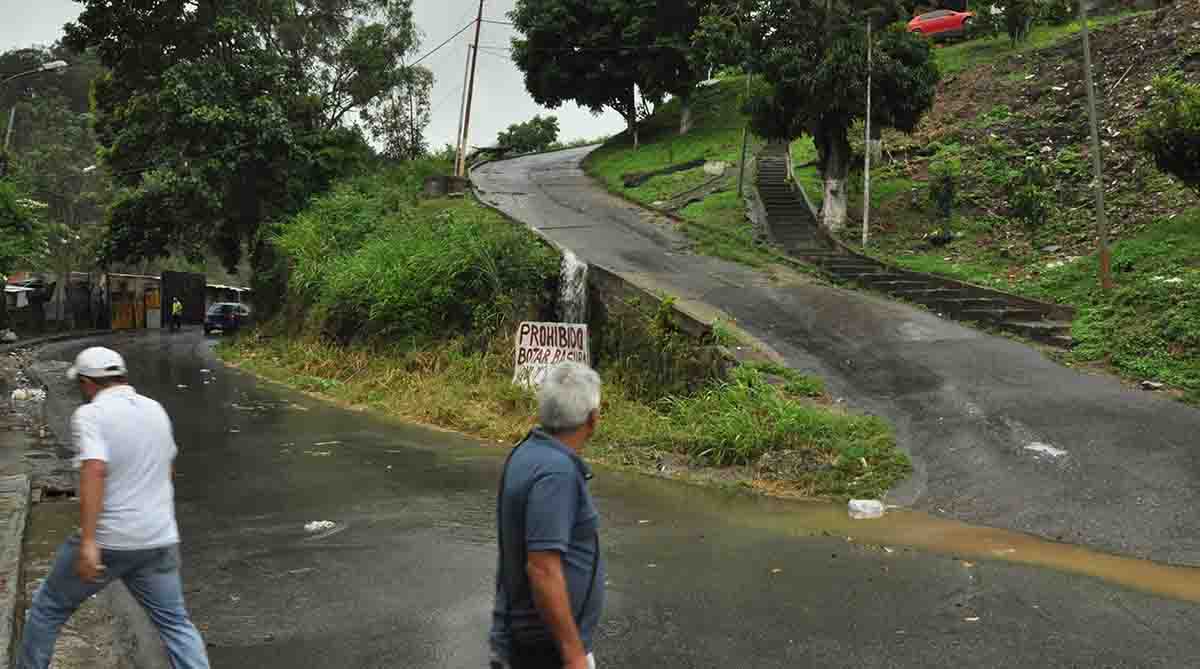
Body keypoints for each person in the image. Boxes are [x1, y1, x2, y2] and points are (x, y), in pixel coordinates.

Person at [18, 347, 209, 669]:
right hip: (158, 539)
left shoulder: (90, 415)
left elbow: (94, 469)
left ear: (88, 383)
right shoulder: (155, 410)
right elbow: (167, 469)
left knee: (48, 608)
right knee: (176, 626)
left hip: (111, 541)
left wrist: (90, 542)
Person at [490, 362, 605, 669]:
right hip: (547, 652)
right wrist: (573, 654)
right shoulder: (555, 473)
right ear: (592, 420)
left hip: (529, 642)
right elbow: (542, 568)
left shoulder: (527, 451)